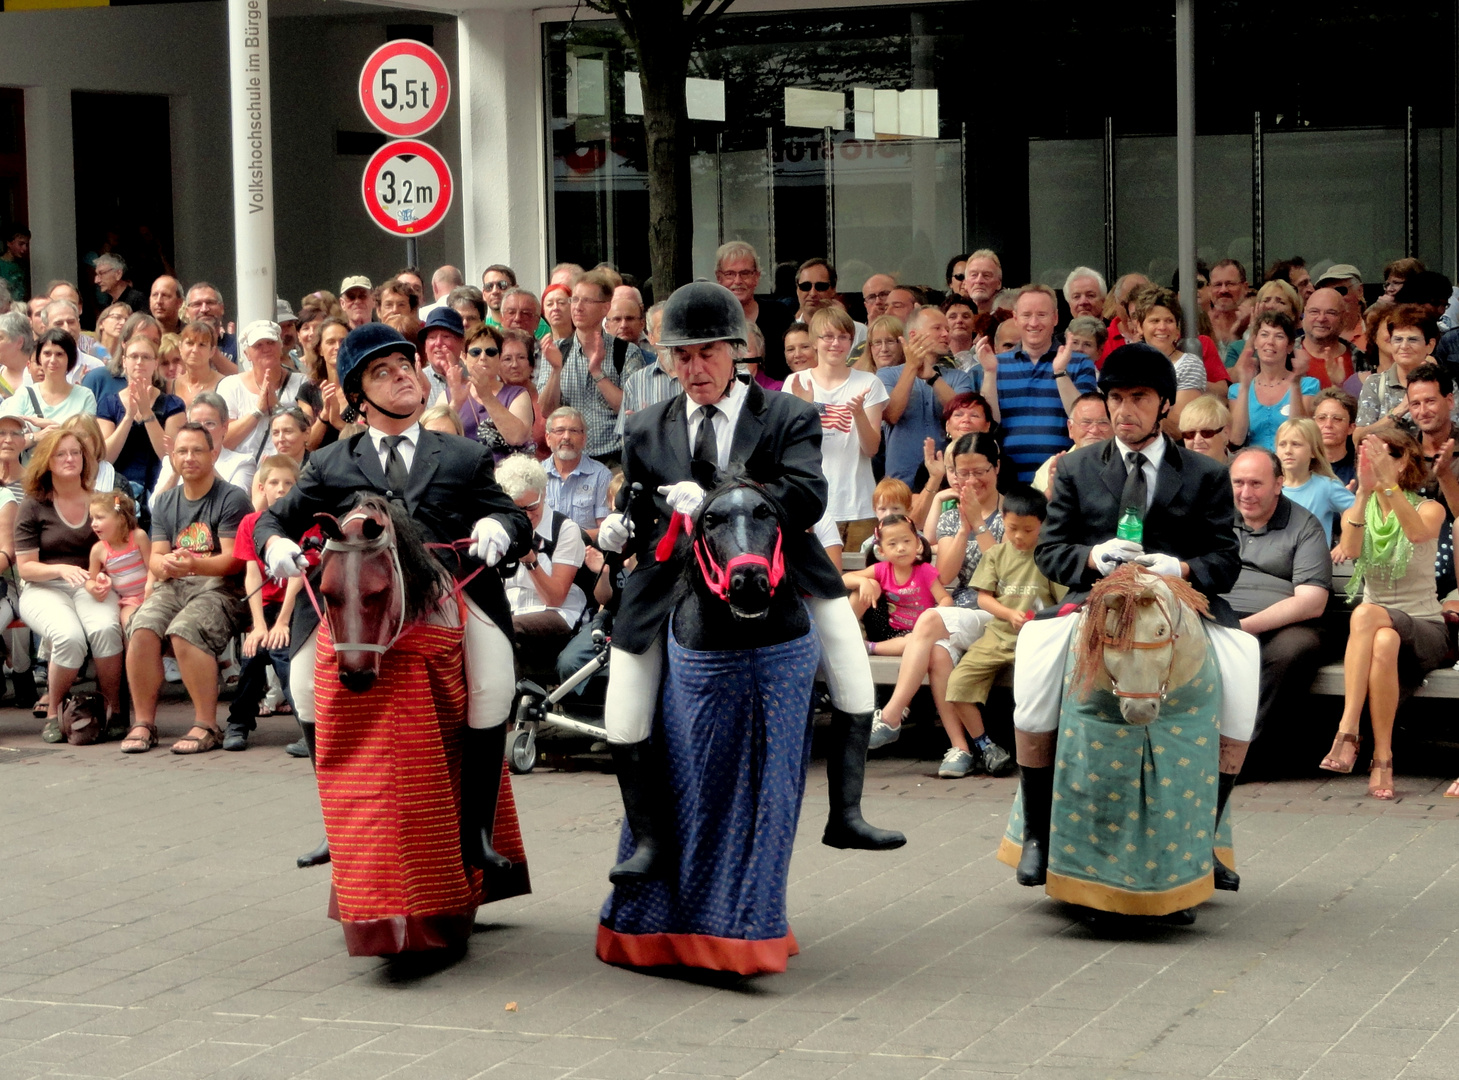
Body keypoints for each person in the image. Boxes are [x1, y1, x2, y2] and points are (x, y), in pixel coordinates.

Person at [595, 280, 904, 885]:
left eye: (707, 352)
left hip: (777, 562)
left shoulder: (786, 412)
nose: (695, 367)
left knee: (846, 653)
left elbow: (808, 495)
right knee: (624, 696)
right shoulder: (644, 428)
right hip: (673, 571)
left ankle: (847, 811)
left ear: (733, 351)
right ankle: (651, 838)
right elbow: (638, 508)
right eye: (682, 356)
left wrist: (720, 501)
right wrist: (616, 529)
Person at [255, 323, 532, 872]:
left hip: (449, 588)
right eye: (383, 372)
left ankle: (474, 830)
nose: (402, 375)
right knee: (304, 683)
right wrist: (276, 545)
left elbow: (512, 516)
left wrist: (502, 528)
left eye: (406, 366)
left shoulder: (463, 455)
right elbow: (269, 519)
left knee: (492, 680)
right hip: (358, 600)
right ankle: (335, 824)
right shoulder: (329, 461)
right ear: (357, 398)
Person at [1006, 344, 1254, 899]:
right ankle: (1037, 834)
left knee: (1245, 665)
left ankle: (1208, 836)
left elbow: (1227, 559)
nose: (1124, 410)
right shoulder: (1072, 468)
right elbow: (1050, 552)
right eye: (1115, 398)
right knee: (1035, 664)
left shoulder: (1208, 474)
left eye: (1138, 398)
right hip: (1093, 599)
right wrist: (1094, 557)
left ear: (1164, 403)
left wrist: (1182, 566)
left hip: (1182, 603)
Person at [1320, 430, 1447, 800]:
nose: (1369, 462)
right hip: (1383, 632)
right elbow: (1351, 546)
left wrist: (1389, 486)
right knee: (1383, 637)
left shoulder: (1429, 507)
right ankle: (1382, 759)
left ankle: (1347, 729)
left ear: (1403, 460)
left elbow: (1417, 534)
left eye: (1377, 455)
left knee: (1365, 614)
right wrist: (1362, 492)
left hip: (1426, 627)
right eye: (1363, 456)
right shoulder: (1356, 511)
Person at [120, 423, 253, 755]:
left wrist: (192, 564)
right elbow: (156, 556)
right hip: (175, 583)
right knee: (142, 626)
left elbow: (233, 561)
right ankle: (144, 722)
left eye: (197, 450)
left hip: (222, 588)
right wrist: (164, 565)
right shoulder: (165, 501)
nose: (189, 457)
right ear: (173, 457)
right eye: (181, 451)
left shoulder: (232, 497)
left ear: (213, 453)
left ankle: (207, 724)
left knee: (185, 629)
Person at [871, 433, 1007, 754]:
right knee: (937, 653)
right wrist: (963, 527)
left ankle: (891, 715)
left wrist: (979, 523)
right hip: (961, 616)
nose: (970, 481)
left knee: (931, 619)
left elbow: (1006, 576)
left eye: (979, 472)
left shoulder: (1013, 512)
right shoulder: (949, 517)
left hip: (1001, 611)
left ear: (996, 468)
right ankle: (962, 748)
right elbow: (944, 574)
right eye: (963, 473)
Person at [941, 485, 1062, 779]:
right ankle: (986, 745)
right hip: (998, 635)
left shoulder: (1049, 557)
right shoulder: (995, 555)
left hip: (1038, 641)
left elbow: (1063, 604)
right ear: (1003, 522)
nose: (1019, 536)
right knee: (957, 683)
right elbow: (984, 597)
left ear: (1042, 526)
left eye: (1028, 530)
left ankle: (1044, 753)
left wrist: (1038, 621)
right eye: (1012, 528)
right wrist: (1009, 614)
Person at [16, 429, 124, 741]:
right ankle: (53, 712)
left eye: (75, 452)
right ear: (47, 462)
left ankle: (112, 710)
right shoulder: (33, 505)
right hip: (43, 587)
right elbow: (26, 567)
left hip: (90, 584)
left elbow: (116, 550)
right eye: (61, 454)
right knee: (69, 637)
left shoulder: (99, 501)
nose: (70, 459)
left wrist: (104, 575)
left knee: (105, 629)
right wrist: (61, 569)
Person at [1225, 447, 1331, 760]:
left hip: (1284, 624)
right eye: (1238, 483)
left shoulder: (1304, 526)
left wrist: (1242, 627)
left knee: (1290, 651)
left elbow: (1312, 602)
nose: (1246, 493)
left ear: (1278, 484)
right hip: (1221, 615)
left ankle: (1247, 756)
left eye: (1256, 484)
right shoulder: (1214, 518)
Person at [221, 455, 307, 752]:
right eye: (274, 482)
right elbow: (252, 573)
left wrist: (282, 622)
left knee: (282, 652)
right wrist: (258, 626)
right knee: (255, 651)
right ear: (261, 487)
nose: (281, 488)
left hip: (297, 605)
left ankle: (310, 727)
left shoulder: (304, 523)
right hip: (266, 607)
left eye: (288, 483)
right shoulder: (251, 523)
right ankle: (239, 723)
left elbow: (300, 573)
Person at [786, 306, 888, 551]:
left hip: (860, 505)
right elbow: (789, 448)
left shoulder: (868, 382)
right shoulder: (796, 381)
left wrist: (859, 414)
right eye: (828, 337)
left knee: (860, 580)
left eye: (844, 337)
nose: (836, 344)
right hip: (813, 506)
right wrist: (805, 409)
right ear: (814, 341)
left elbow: (871, 448)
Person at [988, 285, 1098, 482]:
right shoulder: (995, 365)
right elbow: (989, 423)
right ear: (1015, 318)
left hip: (1062, 479)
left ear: (1055, 318)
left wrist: (1060, 372)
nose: (1033, 322)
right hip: (1008, 485)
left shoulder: (1080, 363)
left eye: (1041, 315)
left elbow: (1084, 419)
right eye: (1026, 315)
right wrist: (989, 372)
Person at [539, 270, 642, 466]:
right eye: (574, 300)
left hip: (613, 460)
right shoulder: (557, 350)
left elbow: (631, 407)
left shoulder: (626, 352)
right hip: (569, 459)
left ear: (605, 308)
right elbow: (546, 410)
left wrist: (597, 372)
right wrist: (556, 370)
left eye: (586, 301)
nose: (577, 307)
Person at [497, 453, 587, 669]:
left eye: (531, 507)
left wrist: (530, 560)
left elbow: (554, 598)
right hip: (511, 612)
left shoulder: (565, 529)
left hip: (557, 615)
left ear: (544, 493)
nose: (525, 516)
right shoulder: (498, 528)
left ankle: (510, 700)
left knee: (507, 630)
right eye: (517, 509)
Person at [879, 308, 974, 484]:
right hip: (900, 484)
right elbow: (891, 414)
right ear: (914, 335)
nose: (946, 334)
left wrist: (932, 378)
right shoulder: (887, 375)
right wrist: (911, 367)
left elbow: (964, 415)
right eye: (937, 328)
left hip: (948, 481)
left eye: (947, 329)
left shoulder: (958, 377)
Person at [96, 334, 186, 502]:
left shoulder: (173, 405)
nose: (139, 362)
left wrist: (147, 413)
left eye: (146, 357)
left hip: (160, 491)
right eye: (134, 356)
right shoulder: (108, 404)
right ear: (124, 362)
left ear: (156, 363)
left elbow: (170, 457)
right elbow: (105, 457)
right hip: (116, 492)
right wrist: (128, 416)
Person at [843, 512, 949, 654]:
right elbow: (844, 579)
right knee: (870, 584)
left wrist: (931, 616)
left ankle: (869, 647)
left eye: (906, 541)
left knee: (915, 641)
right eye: (892, 544)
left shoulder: (925, 571)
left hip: (915, 632)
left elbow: (945, 599)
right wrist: (863, 581)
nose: (901, 548)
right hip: (883, 628)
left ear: (917, 543)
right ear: (881, 550)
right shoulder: (882, 569)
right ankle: (843, 634)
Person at [217, 320, 317, 462]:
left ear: (280, 346)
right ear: (247, 354)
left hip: (289, 467)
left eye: (271, 343)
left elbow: (309, 433)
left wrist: (277, 407)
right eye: (258, 345)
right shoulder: (230, 385)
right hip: (242, 470)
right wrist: (258, 411)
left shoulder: (302, 382)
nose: (266, 349)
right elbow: (224, 440)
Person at [1355, 307, 1451, 439]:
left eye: (1413, 340)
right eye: (1398, 340)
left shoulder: (1444, 383)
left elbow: (1453, 434)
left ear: (1430, 345)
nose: (1404, 346)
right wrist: (1400, 410)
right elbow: (1358, 438)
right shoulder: (1375, 384)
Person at [1228, 312, 1315, 451]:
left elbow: (1301, 434)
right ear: (1255, 342)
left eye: (1279, 336)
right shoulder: (1236, 390)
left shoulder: (1307, 385)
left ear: (1290, 346)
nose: (1270, 342)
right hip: (1253, 465)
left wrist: (1295, 385)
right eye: (1264, 335)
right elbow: (1237, 439)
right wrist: (1245, 386)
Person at [1130, 285, 1206, 439]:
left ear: (1177, 329)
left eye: (1169, 321)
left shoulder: (1189, 365)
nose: (1162, 327)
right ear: (1139, 326)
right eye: (1155, 321)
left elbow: (1180, 428)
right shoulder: (1127, 361)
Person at [452, 323, 534, 459]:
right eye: (475, 352)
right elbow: (434, 439)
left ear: (499, 357)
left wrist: (487, 396)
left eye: (491, 352)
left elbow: (517, 437)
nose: (483, 357)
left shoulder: (517, 394)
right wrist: (455, 404)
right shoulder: (450, 394)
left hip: (505, 475)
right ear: (464, 357)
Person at [1, 329, 97, 440]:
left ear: (69, 358)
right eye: (47, 353)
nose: (52, 360)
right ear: (39, 357)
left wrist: (53, 427)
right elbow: (7, 439)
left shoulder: (85, 396)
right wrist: (36, 437)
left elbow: (88, 441)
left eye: (59, 354)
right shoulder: (24, 394)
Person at [1274, 418, 1354, 544]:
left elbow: (1360, 514)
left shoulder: (1326, 486)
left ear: (1313, 451)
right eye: (1282, 444)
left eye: (1296, 444)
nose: (1288, 451)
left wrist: (1345, 542)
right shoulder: (1270, 487)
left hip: (1313, 561)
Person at [542, 406, 611, 541]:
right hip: (543, 553)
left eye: (573, 431)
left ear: (584, 438)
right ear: (548, 438)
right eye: (560, 431)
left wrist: (569, 539)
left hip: (585, 553)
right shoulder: (536, 475)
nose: (566, 437)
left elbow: (606, 530)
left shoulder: (601, 475)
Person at [86, 489, 149, 632]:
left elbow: (152, 568)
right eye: (92, 518)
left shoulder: (138, 537)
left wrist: (151, 591)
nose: (93, 524)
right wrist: (94, 588)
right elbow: (91, 579)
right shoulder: (98, 550)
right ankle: (131, 654)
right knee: (130, 625)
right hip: (129, 601)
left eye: (100, 518)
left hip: (151, 594)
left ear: (120, 519)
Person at [1032, 392, 1112, 498]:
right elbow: (1033, 513)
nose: (1094, 430)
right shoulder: (1052, 468)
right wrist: (1051, 491)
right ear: (1070, 428)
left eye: (1103, 423)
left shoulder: (1126, 463)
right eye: (1086, 422)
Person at [1294, 288, 1361, 390]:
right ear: (1304, 314)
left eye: (1331, 313)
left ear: (1344, 317)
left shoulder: (1361, 360)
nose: (1321, 319)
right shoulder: (1284, 355)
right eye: (1314, 312)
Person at [1313, 387, 1359, 485]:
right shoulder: (1303, 466)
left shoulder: (1360, 468)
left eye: (1337, 419)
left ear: (1351, 427)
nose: (1328, 425)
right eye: (1321, 418)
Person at [1177, 394, 1232, 465]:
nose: (1197, 440)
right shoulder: (1173, 472)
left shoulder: (1246, 470)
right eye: (1190, 434)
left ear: (1226, 432)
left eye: (1206, 433)